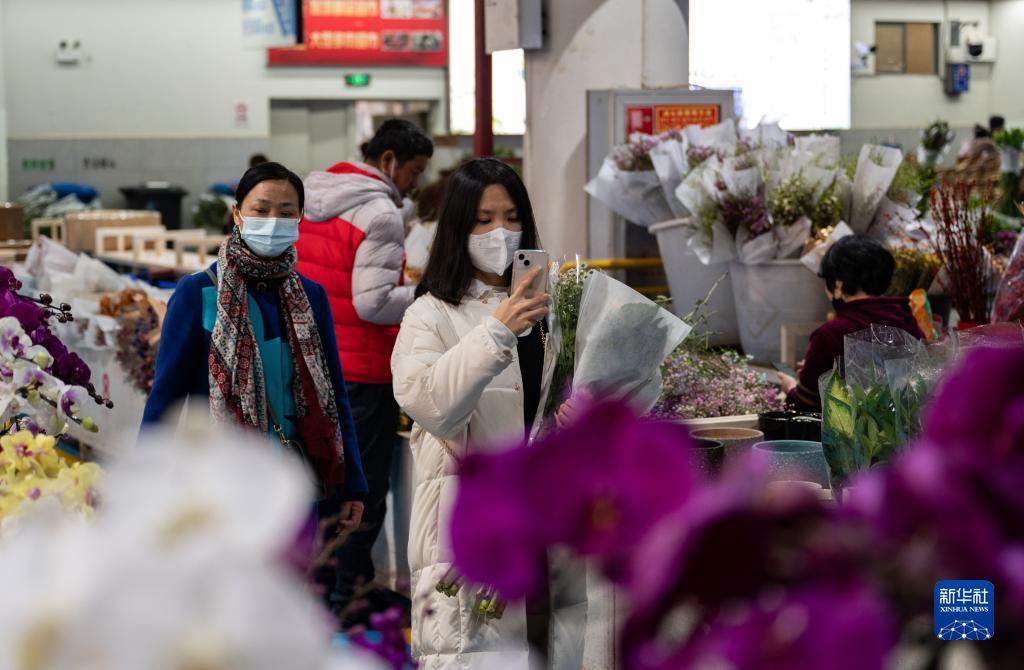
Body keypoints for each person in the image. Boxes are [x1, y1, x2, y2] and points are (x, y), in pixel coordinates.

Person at [392, 158, 586, 669]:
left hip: (546, 524)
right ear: (458, 226)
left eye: (511, 216)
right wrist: (497, 331)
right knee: (473, 654)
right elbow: (431, 402)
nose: (500, 231)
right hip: (468, 530)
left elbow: (561, 402)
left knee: (551, 649)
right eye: (483, 219)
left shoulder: (552, 313)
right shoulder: (429, 314)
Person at [143, 161, 368, 523]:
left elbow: (335, 396)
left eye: (286, 212)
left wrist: (353, 484)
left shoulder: (311, 296)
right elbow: (165, 398)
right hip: (218, 484)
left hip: (298, 482)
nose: (273, 221)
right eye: (261, 210)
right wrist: (145, 480)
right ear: (237, 214)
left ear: (299, 220)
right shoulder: (198, 293)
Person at [295, 119, 433, 611]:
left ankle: (324, 588)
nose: (414, 182)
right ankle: (350, 594)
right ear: (390, 160)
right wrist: (428, 294)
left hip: (312, 361)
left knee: (325, 486)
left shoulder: (314, 192)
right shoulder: (381, 212)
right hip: (361, 368)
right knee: (362, 489)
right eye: (414, 170)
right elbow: (371, 304)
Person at [779, 236, 924, 410]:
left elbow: (805, 404)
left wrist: (792, 387)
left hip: (850, 435)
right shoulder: (906, 319)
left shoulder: (831, 334)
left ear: (838, 285)